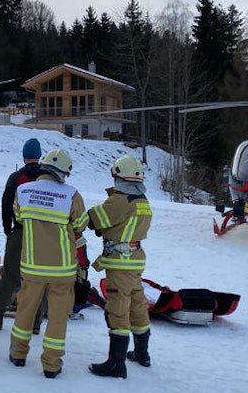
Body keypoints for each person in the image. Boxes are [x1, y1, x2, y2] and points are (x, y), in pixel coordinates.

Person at [8, 148, 89, 378]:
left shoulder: (23, 191)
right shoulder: (71, 195)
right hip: (62, 269)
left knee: (25, 310)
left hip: (32, 265)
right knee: (58, 316)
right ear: (63, 173)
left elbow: (19, 217)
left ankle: (18, 353)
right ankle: (51, 364)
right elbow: (80, 225)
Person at [87, 154, 153, 377]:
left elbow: (93, 219)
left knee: (118, 307)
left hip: (120, 263)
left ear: (117, 175)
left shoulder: (120, 200)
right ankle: (142, 353)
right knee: (137, 304)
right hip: (136, 260)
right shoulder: (143, 200)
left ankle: (116, 363)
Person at [0, 138, 44, 331]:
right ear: (39, 155)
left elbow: (6, 204)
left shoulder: (16, 177)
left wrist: (7, 228)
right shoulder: (47, 178)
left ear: (24, 156)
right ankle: (35, 322)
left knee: (10, 276)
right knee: (37, 278)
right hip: (42, 235)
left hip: (19, 231)